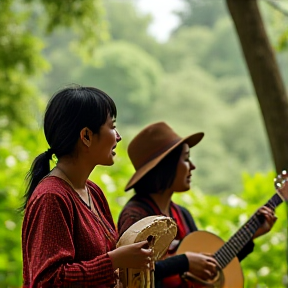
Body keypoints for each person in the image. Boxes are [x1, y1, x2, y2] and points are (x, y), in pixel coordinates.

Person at [21, 85, 153, 288]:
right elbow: (48, 281)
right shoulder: (51, 197)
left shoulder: (94, 192)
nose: (118, 136)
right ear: (86, 136)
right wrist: (115, 261)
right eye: (112, 126)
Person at [117, 121, 277, 288]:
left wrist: (251, 236)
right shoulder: (135, 215)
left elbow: (208, 267)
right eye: (186, 159)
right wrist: (184, 262)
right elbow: (133, 271)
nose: (192, 167)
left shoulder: (182, 214)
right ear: (167, 166)